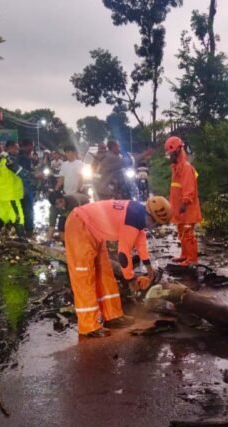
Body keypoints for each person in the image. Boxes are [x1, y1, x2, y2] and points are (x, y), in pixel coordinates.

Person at [64, 197, 172, 338]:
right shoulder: (133, 219)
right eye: (155, 223)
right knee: (84, 276)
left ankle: (113, 316)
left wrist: (149, 269)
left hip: (95, 231)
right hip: (80, 224)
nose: (154, 227)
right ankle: (88, 326)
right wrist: (131, 279)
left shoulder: (138, 215)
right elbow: (123, 253)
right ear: (149, 215)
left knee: (105, 273)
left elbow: (141, 245)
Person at [165, 136, 202, 266]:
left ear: (179, 150)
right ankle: (184, 255)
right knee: (182, 233)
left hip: (187, 209)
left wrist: (184, 204)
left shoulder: (186, 168)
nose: (170, 156)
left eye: (172, 153)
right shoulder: (176, 168)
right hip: (180, 209)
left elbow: (189, 189)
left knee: (188, 234)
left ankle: (191, 259)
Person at [0, 142, 28, 245]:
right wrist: (34, 177)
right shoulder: (8, 160)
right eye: (17, 149)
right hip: (11, 195)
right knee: (18, 216)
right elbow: (21, 173)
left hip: (1, 195)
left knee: (3, 216)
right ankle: (23, 240)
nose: (18, 151)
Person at [16, 139, 36, 236]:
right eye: (32, 146)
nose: (32, 149)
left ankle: (21, 230)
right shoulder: (24, 158)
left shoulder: (18, 157)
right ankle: (29, 231)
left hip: (18, 188)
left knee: (21, 209)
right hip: (24, 187)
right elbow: (23, 174)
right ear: (28, 146)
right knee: (28, 209)